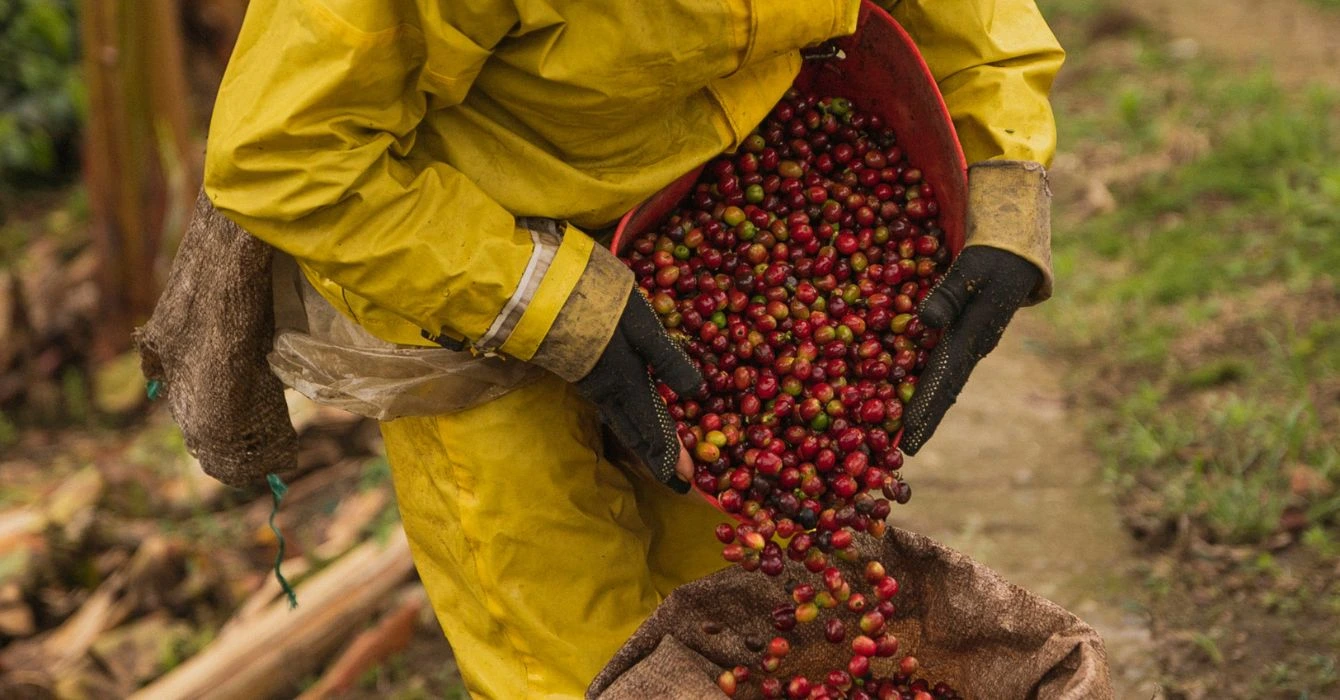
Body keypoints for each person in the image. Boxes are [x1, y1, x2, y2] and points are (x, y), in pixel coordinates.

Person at [202, 1, 1063, 696]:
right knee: (575, 656)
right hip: (461, 278)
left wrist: (1004, 172)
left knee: (767, 619)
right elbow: (282, 152)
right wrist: (547, 300)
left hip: (717, 251)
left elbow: (968, 19)